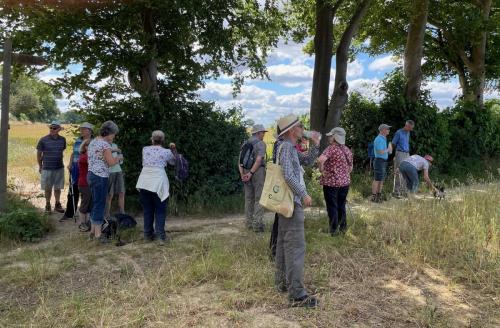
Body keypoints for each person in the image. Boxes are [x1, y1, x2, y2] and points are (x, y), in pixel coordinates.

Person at [274, 114, 320, 308]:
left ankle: (283, 283)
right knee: (295, 247)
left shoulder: (289, 148)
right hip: (292, 203)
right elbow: (287, 174)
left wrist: (315, 144)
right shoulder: (286, 148)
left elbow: (308, 160)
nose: (303, 129)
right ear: (292, 130)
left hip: (288, 203)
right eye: (300, 126)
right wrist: (303, 194)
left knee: (285, 244)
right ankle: (297, 295)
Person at [136, 130, 177, 246]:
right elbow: (173, 162)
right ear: (163, 140)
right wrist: (173, 149)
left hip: (144, 181)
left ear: (152, 139)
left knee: (148, 210)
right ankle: (160, 236)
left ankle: (147, 235)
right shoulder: (166, 151)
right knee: (160, 210)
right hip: (158, 181)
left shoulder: (145, 149)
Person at [87, 121, 122, 244]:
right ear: (109, 133)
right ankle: (98, 235)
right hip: (100, 176)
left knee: (95, 203)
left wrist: (113, 148)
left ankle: (92, 232)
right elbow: (111, 162)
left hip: (91, 175)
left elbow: (99, 153)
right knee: (100, 204)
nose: (114, 137)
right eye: (113, 134)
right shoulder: (105, 145)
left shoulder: (94, 142)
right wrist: (118, 158)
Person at [318, 127, 353, 235]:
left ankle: (333, 231)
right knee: (341, 205)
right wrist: (343, 175)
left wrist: (322, 170)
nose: (329, 137)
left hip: (331, 184)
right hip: (345, 183)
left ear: (335, 137)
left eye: (331, 135)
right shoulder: (347, 150)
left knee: (332, 206)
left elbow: (320, 160)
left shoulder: (331, 148)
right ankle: (343, 229)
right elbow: (350, 168)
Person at [59, 122, 93, 222]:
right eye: (80, 129)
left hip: (87, 169)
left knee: (86, 191)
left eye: (83, 129)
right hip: (75, 168)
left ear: (89, 131)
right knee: (72, 190)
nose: (81, 131)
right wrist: (70, 164)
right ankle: (69, 213)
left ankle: (86, 214)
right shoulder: (78, 140)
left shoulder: (94, 141)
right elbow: (73, 153)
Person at [239, 124, 267, 232]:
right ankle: (258, 225)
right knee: (259, 198)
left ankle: (248, 223)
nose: (264, 135)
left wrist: (243, 174)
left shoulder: (245, 143)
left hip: (245, 171)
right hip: (257, 172)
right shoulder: (261, 144)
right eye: (263, 132)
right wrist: (251, 173)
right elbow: (259, 160)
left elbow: (240, 161)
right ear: (258, 133)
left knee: (248, 198)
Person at [37, 120, 67, 213]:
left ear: (59, 129)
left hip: (59, 167)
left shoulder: (63, 140)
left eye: (54, 128)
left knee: (58, 187)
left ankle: (57, 204)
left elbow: (61, 151)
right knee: (47, 188)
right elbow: (39, 154)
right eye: (51, 127)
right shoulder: (43, 139)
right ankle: (47, 204)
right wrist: (40, 166)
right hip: (47, 168)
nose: (52, 129)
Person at [391, 120, 415, 198]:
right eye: (410, 128)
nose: (411, 130)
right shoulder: (398, 132)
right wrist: (396, 154)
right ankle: (396, 192)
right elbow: (393, 143)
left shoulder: (408, 133)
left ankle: (404, 191)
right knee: (398, 172)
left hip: (407, 154)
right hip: (400, 153)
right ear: (406, 126)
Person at [371, 124, 392, 203]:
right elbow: (380, 151)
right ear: (382, 130)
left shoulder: (383, 139)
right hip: (379, 161)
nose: (388, 130)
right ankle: (373, 197)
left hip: (383, 161)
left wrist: (389, 150)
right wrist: (388, 149)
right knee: (377, 179)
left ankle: (378, 196)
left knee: (381, 179)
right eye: (387, 129)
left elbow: (386, 151)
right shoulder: (378, 139)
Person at [105, 142, 125, 218]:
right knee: (110, 194)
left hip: (118, 170)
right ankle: (107, 215)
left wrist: (120, 159)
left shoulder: (115, 145)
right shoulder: (103, 145)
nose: (112, 138)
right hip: (109, 172)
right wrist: (115, 159)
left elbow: (120, 160)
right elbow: (107, 160)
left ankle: (122, 214)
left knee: (122, 192)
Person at [77, 139, 92, 232]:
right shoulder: (83, 157)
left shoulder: (87, 156)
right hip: (84, 183)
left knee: (90, 203)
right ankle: (82, 223)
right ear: (85, 147)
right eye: (90, 145)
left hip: (89, 183)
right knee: (85, 204)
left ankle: (87, 222)